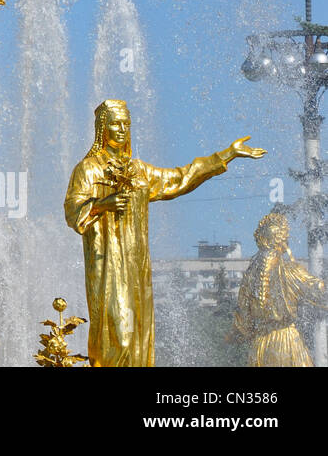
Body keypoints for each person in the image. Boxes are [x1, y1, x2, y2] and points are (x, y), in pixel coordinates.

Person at [64, 98, 265, 366]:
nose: (122, 130)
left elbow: (180, 178)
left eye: (126, 124)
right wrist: (102, 204)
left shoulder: (139, 171)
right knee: (117, 335)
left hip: (136, 267)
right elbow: (72, 212)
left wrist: (227, 154)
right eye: (115, 124)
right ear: (102, 128)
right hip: (107, 266)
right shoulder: (88, 170)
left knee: (138, 336)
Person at [232, 211, 328, 366]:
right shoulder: (289, 270)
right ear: (281, 241)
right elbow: (319, 291)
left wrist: (231, 337)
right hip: (286, 344)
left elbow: (242, 324)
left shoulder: (249, 276)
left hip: (259, 347)